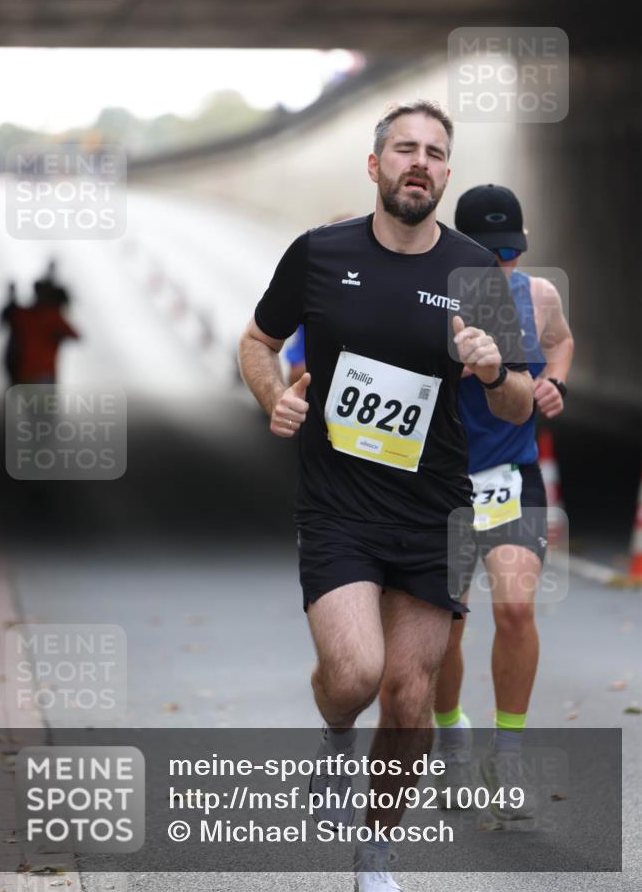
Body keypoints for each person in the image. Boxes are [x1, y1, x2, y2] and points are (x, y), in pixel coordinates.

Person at [238, 101, 534, 891]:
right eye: (404, 148)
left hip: (435, 511)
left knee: (408, 700)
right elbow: (257, 342)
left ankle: (374, 855)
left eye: (435, 153)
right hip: (338, 505)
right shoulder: (319, 254)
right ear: (374, 165)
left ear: (445, 173)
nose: (420, 162)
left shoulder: (475, 271)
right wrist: (273, 396)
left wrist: (491, 370)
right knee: (356, 675)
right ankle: (335, 738)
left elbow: (516, 404)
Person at [433, 184, 574, 819]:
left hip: (511, 475)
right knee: (445, 625)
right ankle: (450, 732)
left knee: (516, 609)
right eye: (489, 256)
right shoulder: (431, 303)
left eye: (511, 253)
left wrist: (553, 382)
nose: (502, 267)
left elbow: (563, 340)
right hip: (440, 482)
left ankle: (507, 754)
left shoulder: (538, 295)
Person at [2, 278, 80, 384]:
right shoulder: (47, 315)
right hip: (35, 374)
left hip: (32, 373)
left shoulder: (31, 314)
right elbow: (75, 335)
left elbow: (75, 335)